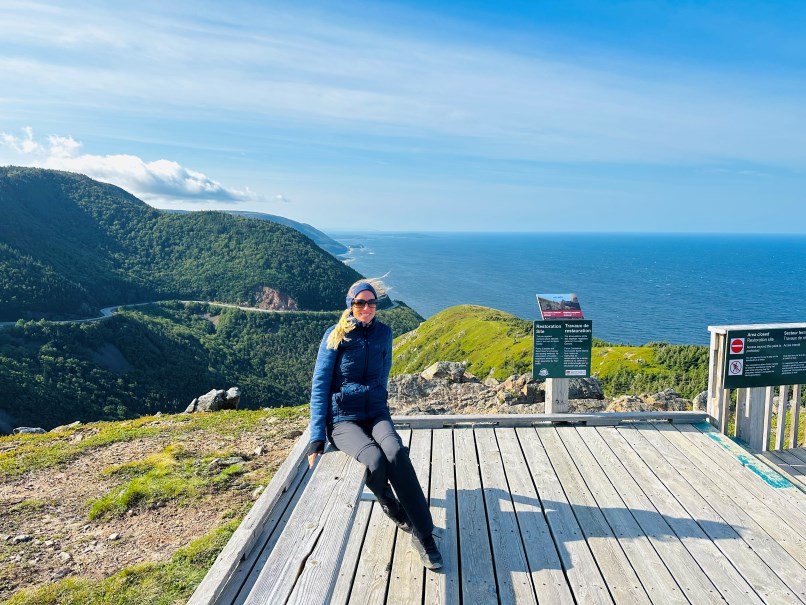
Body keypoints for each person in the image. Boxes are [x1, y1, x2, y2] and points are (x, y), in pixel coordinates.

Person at [307, 279, 443, 570]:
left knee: (395, 452)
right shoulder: (335, 336)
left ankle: (424, 534)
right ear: (351, 305)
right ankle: (391, 506)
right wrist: (317, 436)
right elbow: (319, 387)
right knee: (375, 459)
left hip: (377, 413)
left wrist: (380, 404)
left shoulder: (384, 333)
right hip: (343, 419)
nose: (366, 308)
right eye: (360, 303)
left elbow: (384, 374)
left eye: (371, 303)